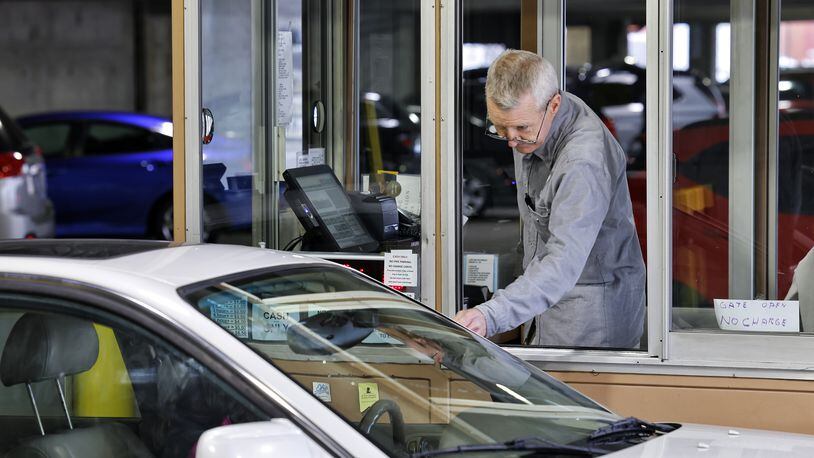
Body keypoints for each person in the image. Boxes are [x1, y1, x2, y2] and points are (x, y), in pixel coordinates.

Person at [454, 49, 645, 348]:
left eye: (522, 129)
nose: (512, 141)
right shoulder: (534, 124)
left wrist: (491, 315)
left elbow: (563, 260)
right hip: (542, 308)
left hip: (588, 323)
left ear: (554, 104)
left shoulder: (583, 162)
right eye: (500, 127)